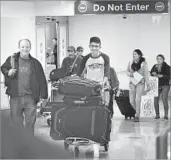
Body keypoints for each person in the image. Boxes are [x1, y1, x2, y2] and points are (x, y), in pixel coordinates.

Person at [1, 39, 48, 134]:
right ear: (19, 47)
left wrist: (44, 96)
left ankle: (29, 144)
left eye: (27, 47)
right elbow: (3, 67)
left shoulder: (35, 63)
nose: (25, 49)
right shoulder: (12, 59)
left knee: (30, 124)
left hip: (30, 98)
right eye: (22, 47)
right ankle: (20, 143)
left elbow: (42, 80)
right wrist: (8, 72)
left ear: (30, 48)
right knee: (16, 123)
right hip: (15, 97)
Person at [77, 37, 110, 106]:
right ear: (89, 46)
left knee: (103, 106)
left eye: (96, 46)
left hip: (101, 85)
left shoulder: (105, 57)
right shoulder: (85, 59)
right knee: (90, 106)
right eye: (92, 46)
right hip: (89, 86)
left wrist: (103, 83)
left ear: (100, 47)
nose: (94, 48)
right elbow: (79, 73)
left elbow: (107, 73)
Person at [126, 49, 150, 122]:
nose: (134, 55)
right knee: (131, 101)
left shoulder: (144, 63)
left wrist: (148, 84)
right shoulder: (130, 62)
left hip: (140, 83)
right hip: (132, 82)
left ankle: (137, 116)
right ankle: (137, 111)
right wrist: (130, 74)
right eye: (133, 54)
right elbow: (127, 71)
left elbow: (146, 74)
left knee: (137, 99)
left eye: (135, 54)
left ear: (139, 55)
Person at [150, 54, 170, 120]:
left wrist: (161, 76)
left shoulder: (167, 67)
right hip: (157, 85)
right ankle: (157, 115)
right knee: (155, 100)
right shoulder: (155, 66)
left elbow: (169, 77)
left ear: (163, 59)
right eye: (157, 59)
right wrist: (153, 73)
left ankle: (166, 115)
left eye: (160, 59)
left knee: (164, 99)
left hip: (165, 85)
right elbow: (151, 73)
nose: (158, 60)